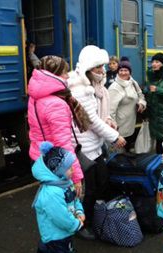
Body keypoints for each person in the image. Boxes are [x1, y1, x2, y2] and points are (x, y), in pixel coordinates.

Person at [68, 45, 126, 239]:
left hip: (95, 146)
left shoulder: (95, 87)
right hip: (85, 148)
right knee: (87, 190)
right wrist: (114, 136)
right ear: (87, 68)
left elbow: (99, 116)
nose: (103, 71)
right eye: (98, 67)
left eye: (102, 66)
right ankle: (81, 225)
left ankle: (93, 218)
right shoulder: (80, 91)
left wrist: (108, 121)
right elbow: (91, 121)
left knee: (100, 183)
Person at [28, 56, 91, 199]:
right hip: (57, 165)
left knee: (50, 203)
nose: (67, 76)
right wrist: (76, 177)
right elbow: (63, 145)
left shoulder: (35, 96)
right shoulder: (56, 103)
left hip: (39, 157)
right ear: (54, 73)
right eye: (64, 72)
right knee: (67, 206)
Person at [32, 141, 85, 253]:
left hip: (64, 233)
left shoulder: (65, 182)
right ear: (58, 171)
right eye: (69, 168)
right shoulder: (52, 192)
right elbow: (60, 217)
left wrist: (79, 211)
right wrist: (76, 224)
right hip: (55, 237)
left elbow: (75, 199)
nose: (73, 170)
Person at [108, 57, 147, 151]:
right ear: (117, 72)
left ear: (130, 72)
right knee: (120, 154)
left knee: (128, 150)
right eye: (121, 70)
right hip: (120, 130)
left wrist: (141, 104)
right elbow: (110, 112)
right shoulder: (114, 88)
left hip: (130, 126)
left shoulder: (132, 82)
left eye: (126, 70)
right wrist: (114, 133)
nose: (123, 73)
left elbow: (141, 96)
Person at [144, 52, 163, 154]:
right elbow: (147, 91)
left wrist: (158, 90)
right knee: (158, 141)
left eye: (157, 62)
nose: (154, 64)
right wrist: (146, 91)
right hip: (154, 115)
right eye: (153, 62)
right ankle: (159, 164)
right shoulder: (152, 77)